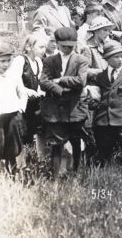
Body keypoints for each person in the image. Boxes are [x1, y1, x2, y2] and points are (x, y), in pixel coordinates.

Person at [39, 27, 89, 177]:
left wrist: (60, 80)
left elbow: (81, 82)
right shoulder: (49, 60)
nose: (67, 48)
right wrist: (60, 90)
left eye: (71, 46)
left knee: (76, 140)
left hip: (75, 109)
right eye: (64, 45)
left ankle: (76, 171)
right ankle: (55, 176)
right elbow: (43, 81)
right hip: (56, 109)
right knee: (56, 143)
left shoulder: (81, 60)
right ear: (57, 43)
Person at [91, 41, 122, 165]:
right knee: (104, 147)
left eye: (121, 56)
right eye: (116, 57)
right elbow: (97, 95)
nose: (120, 59)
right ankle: (104, 167)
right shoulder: (100, 76)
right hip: (104, 118)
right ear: (107, 59)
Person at [11, 33, 48, 155]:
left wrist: (40, 91)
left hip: (35, 102)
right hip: (22, 103)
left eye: (44, 47)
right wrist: (27, 91)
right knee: (23, 134)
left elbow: (40, 81)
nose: (44, 50)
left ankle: (40, 159)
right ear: (29, 47)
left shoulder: (38, 61)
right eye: (41, 47)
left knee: (39, 130)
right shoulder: (20, 60)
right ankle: (21, 162)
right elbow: (15, 82)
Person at [0, 42, 27, 173]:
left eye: (8, 61)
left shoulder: (13, 75)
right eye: (2, 61)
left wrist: (21, 109)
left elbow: (22, 92)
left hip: (12, 115)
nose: (6, 64)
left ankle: (13, 173)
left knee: (13, 148)